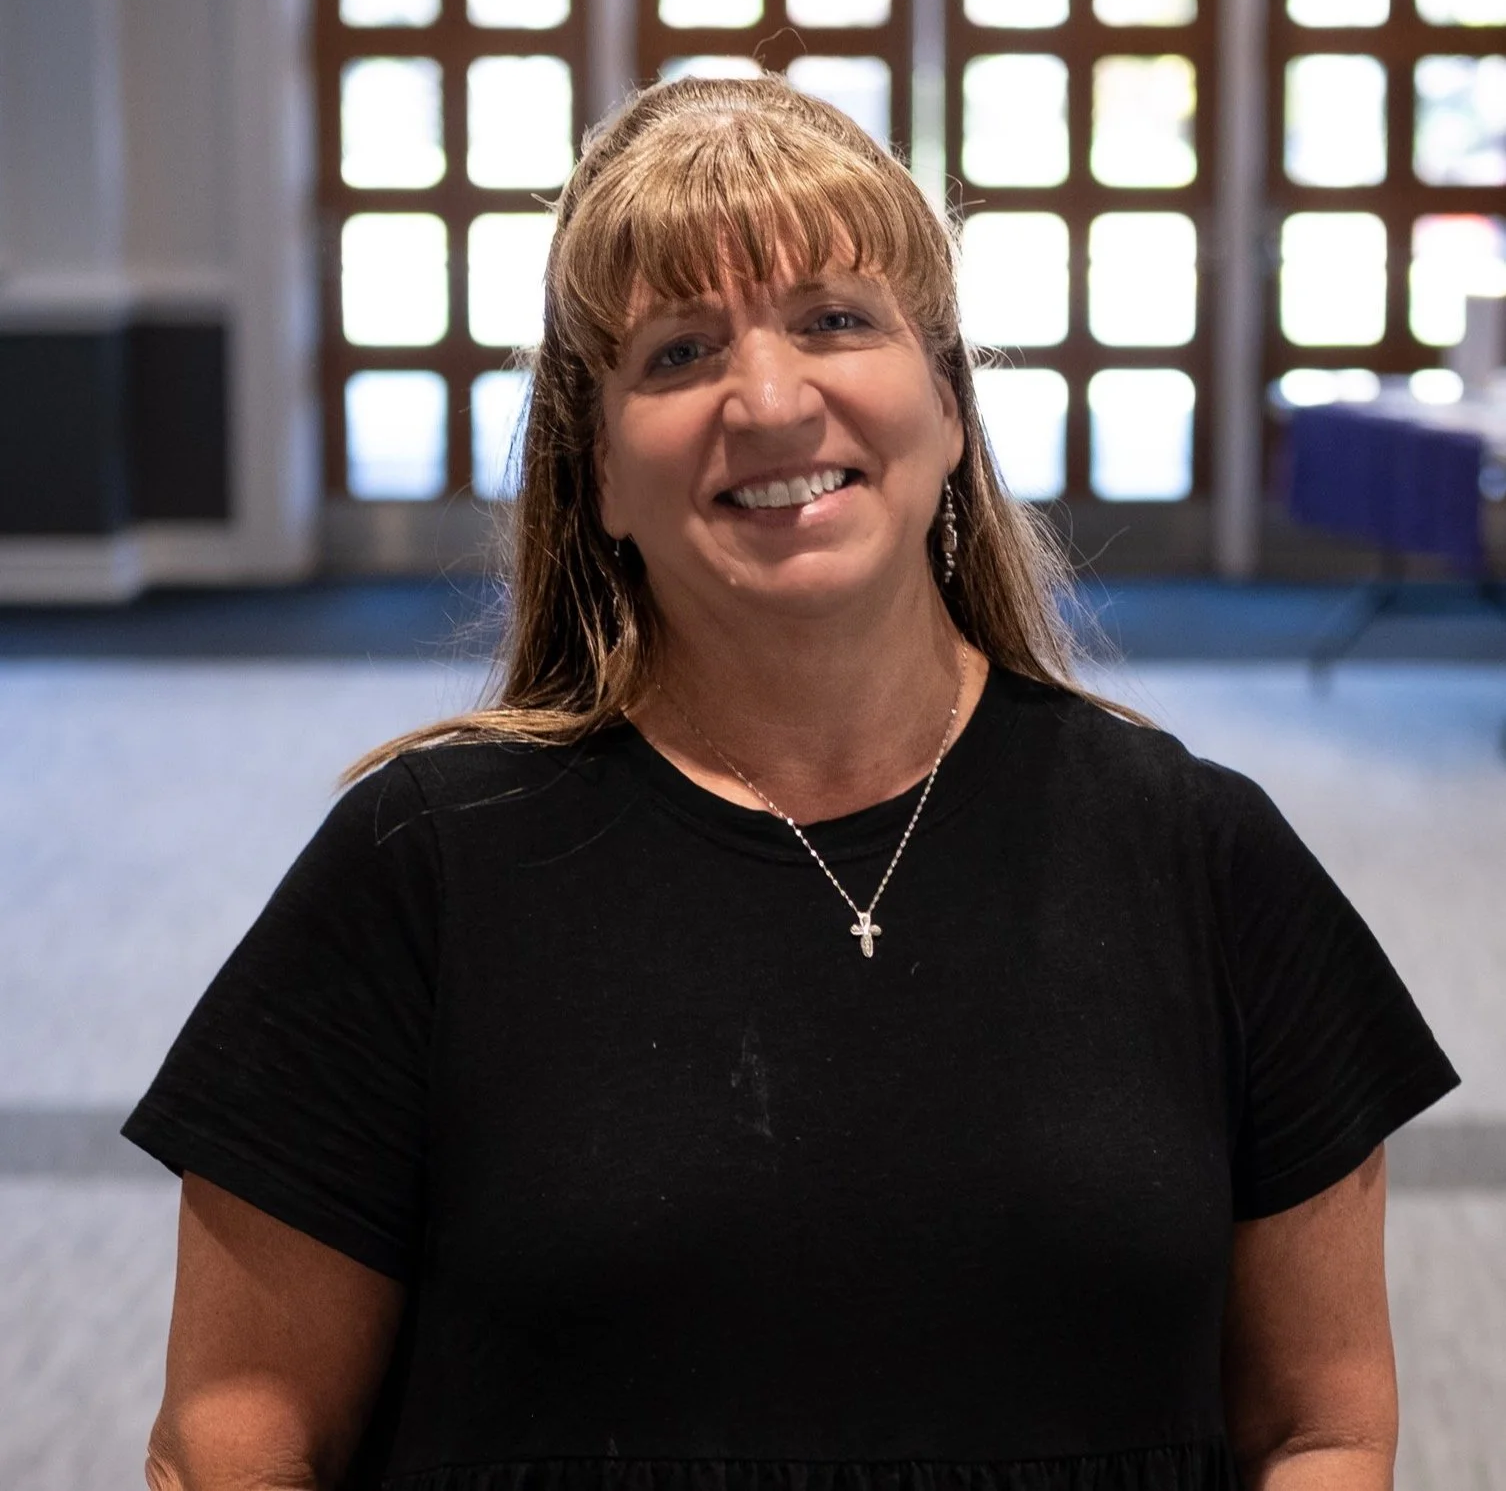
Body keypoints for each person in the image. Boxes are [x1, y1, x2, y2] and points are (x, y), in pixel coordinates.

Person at [126, 74, 1460, 1491]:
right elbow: (236, 1430)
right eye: (679, 350)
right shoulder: (422, 868)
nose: (767, 400)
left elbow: (1320, 1428)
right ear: (598, 483)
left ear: (947, 409)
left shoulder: (1202, 854)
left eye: (834, 317)